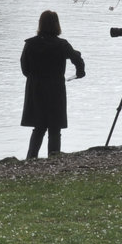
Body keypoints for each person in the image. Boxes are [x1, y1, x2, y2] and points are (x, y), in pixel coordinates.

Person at [20, 10, 85, 158]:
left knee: (39, 127)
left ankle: (31, 158)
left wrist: (34, 77)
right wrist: (80, 72)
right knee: (54, 128)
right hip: (55, 89)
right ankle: (54, 159)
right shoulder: (61, 44)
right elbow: (77, 59)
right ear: (57, 24)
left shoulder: (30, 44)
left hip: (36, 89)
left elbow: (25, 68)